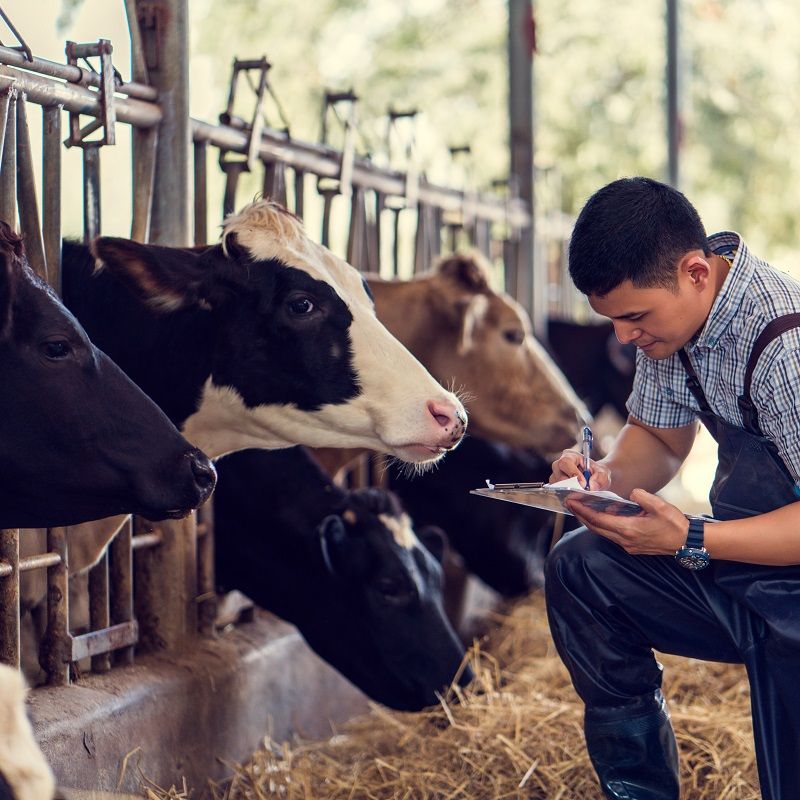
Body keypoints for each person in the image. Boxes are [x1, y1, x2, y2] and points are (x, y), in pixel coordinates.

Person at [546, 176, 800, 800]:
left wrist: (689, 535)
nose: (623, 338)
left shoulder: (783, 344)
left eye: (633, 318)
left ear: (695, 272)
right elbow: (659, 441)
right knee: (581, 568)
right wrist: (600, 479)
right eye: (613, 320)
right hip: (749, 571)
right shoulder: (673, 329)